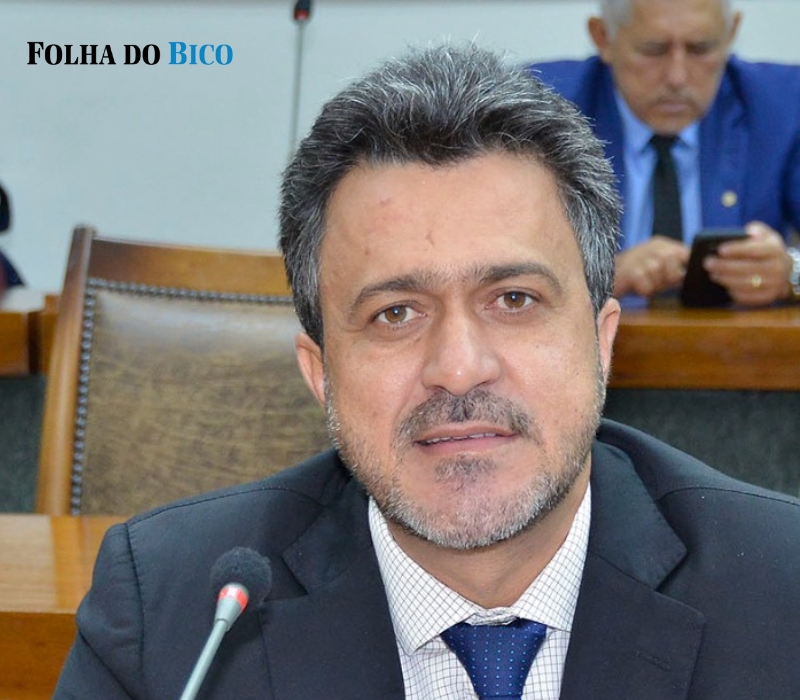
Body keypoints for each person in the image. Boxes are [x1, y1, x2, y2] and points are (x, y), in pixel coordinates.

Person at [53, 43, 800, 700]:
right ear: (319, 372)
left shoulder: (781, 592)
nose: (459, 368)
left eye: (514, 299)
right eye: (395, 314)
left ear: (602, 341)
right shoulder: (175, 615)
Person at [530, 0, 800, 304]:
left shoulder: (783, 105)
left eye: (700, 49)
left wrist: (791, 272)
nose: (677, 77)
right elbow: (497, 265)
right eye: (653, 50)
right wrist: (603, 277)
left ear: (731, 34)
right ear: (603, 37)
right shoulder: (539, 111)